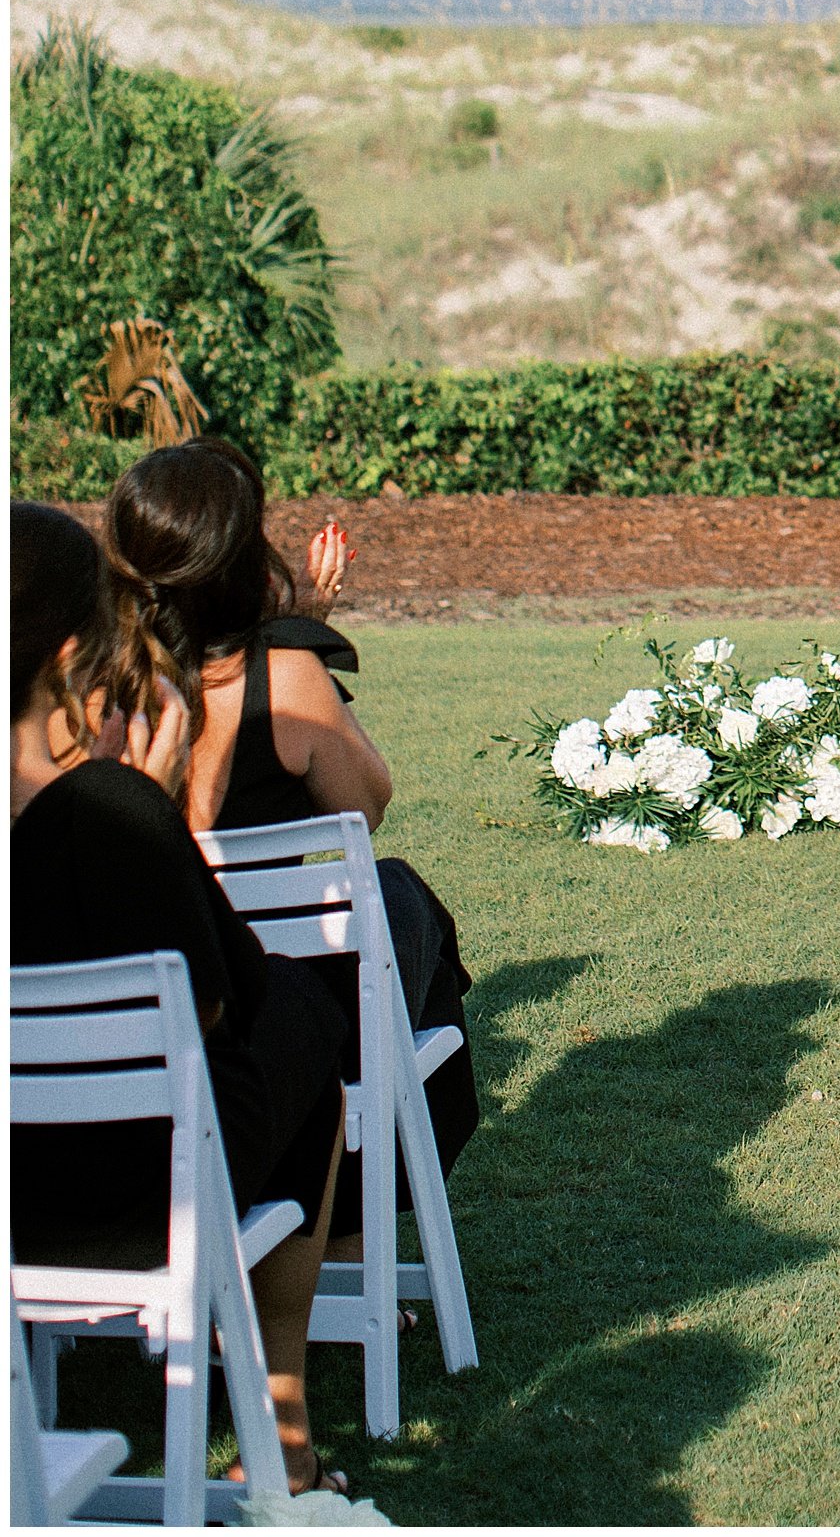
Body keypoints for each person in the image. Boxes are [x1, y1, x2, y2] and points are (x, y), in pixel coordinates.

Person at [12, 502, 352, 1499]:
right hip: (128, 1185)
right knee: (300, 1011)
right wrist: (161, 810)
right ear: (75, 654)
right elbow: (224, 998)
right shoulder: (105, 815)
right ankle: (283, 1431)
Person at [102, 440, 479, 1179]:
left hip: (131, 1019)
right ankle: (352, 1228)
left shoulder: (92, 690)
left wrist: (299, 624)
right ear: (241, 556)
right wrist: (296, 643)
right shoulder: (282, 678)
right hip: (267, 1008)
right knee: (404, 900)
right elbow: (366, 805)